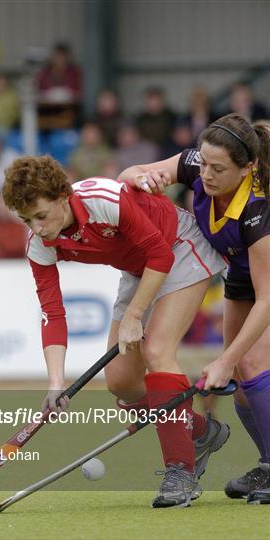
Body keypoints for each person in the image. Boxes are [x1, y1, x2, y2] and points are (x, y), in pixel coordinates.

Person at [2, 154, 229, 509]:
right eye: (27, 219)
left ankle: (180, 472)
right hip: (139, 270)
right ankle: (199, 431)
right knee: (121, 381)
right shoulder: (39, 243)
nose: (39, 227)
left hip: (177, 246)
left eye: (42, 216)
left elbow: (159, 254)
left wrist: (134, 315)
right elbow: (52, 312)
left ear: (63, 196)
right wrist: (56, 382)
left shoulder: (103, 200)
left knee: (157, 352)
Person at [119, 113, 270, 502]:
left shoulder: (258, 209)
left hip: (265, 282)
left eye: (218, 169)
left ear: (248, 169)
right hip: (239, 277)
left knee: (248, 363)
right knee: (240, 378)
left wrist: (223, 361)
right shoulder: (195, 165)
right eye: (203, 163)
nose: (206, 174)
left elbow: (266, 298)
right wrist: (139, 178)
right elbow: (130, 174)